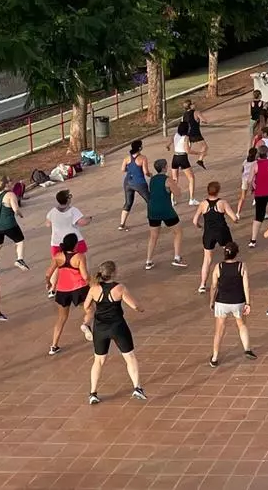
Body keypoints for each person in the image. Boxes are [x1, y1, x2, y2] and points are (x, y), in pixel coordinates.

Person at [84, 261, 147, 404]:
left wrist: (91, 313)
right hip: (118, 327)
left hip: (100, 328)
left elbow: (87, 305)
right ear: (113, 273)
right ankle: (137, 388)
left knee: (98, 360)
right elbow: (134, 306)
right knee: (129, 357)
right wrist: (141, 309)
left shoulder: (94, 288)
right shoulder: (120, 288)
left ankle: (93, 393)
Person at [207, 242, 256, 367]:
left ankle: (215, 357)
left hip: (221, 301)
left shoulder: (218, 267)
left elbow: (214, 286)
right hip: (238, 301)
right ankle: (247, 349)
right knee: (242, 325)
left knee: (219, 330)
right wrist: (248, 303)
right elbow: (246, 286)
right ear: (236, 253)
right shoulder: (241, 266)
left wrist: (211, 301)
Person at [44, 233, 91, 356]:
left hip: (62, 290)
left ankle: (54, 346)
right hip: (79, 288)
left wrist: (49, 283)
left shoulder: (58, 256)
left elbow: (48, 273)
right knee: (90, 309)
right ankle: (86, 325)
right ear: (75, 245)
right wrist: (93, 283)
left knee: (61, 318)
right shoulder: (79, 257)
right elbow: (85, 276)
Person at [193, 182, 238, 294]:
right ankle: (229, 281)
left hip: (208, 233)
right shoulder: (222, 203)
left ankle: (202, 285)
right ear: (218, 191)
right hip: (222, 232)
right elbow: (234, 218)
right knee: (229, 257)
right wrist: (236, 220)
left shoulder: (203, 204)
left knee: (207, 259)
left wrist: (199, 226)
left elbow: (194, 221)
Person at [145, 159, 184, 270]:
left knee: (153, 236)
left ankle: (148, 261)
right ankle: (177, 258)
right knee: (178, 232)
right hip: (165, 209)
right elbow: (178, 193)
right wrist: (175, 185)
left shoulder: (152, 179)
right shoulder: (168, 179)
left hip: (152, 209)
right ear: (164, 168)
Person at [0, 176, 28, 271]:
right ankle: (20, 259)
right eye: (10, 181)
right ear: (6, 184)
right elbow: (16, 209)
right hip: (8, 224)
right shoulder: (11, 195)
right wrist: (20, 214)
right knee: (19, 241)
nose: (12, 182)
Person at [118, 141, 151, 232]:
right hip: (139, 183)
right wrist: (150, 175)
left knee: (128, 203)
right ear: (140, 148)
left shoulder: (127, 158)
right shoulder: (143, 158)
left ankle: (122, 224)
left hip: (128, 182)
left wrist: (130, 170)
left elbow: (122, 169)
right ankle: (153, 219)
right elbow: (146, 172)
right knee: (149, 201)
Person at [169, 121, 199, 206]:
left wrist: (168, 146)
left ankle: (172, 199)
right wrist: (198, 153)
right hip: (183, 158)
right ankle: (191, 199)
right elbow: (187, 150)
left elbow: (169, 143)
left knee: (175, 179)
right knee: (191, 178)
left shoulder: (175, 135)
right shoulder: (186, 138)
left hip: (175, 157)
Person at [181, 100, 209, 169]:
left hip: (187, 134)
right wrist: (203, 121)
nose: (195, 105)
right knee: (205, 147)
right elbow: (205, 120)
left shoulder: (184, 115)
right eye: (193, 104)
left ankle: (182, 162)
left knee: (187, 150)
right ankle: (200, 160)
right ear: (190, 106)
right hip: (195, 133)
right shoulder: (196, 112)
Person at [235, 147, 257, 218]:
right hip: (253, 180)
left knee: (242, 197)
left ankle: (238, 213)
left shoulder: (245, 161)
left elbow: (242, 170)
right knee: (258, 193)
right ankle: (255, 200)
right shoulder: (256, 162)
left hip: (245, 180)